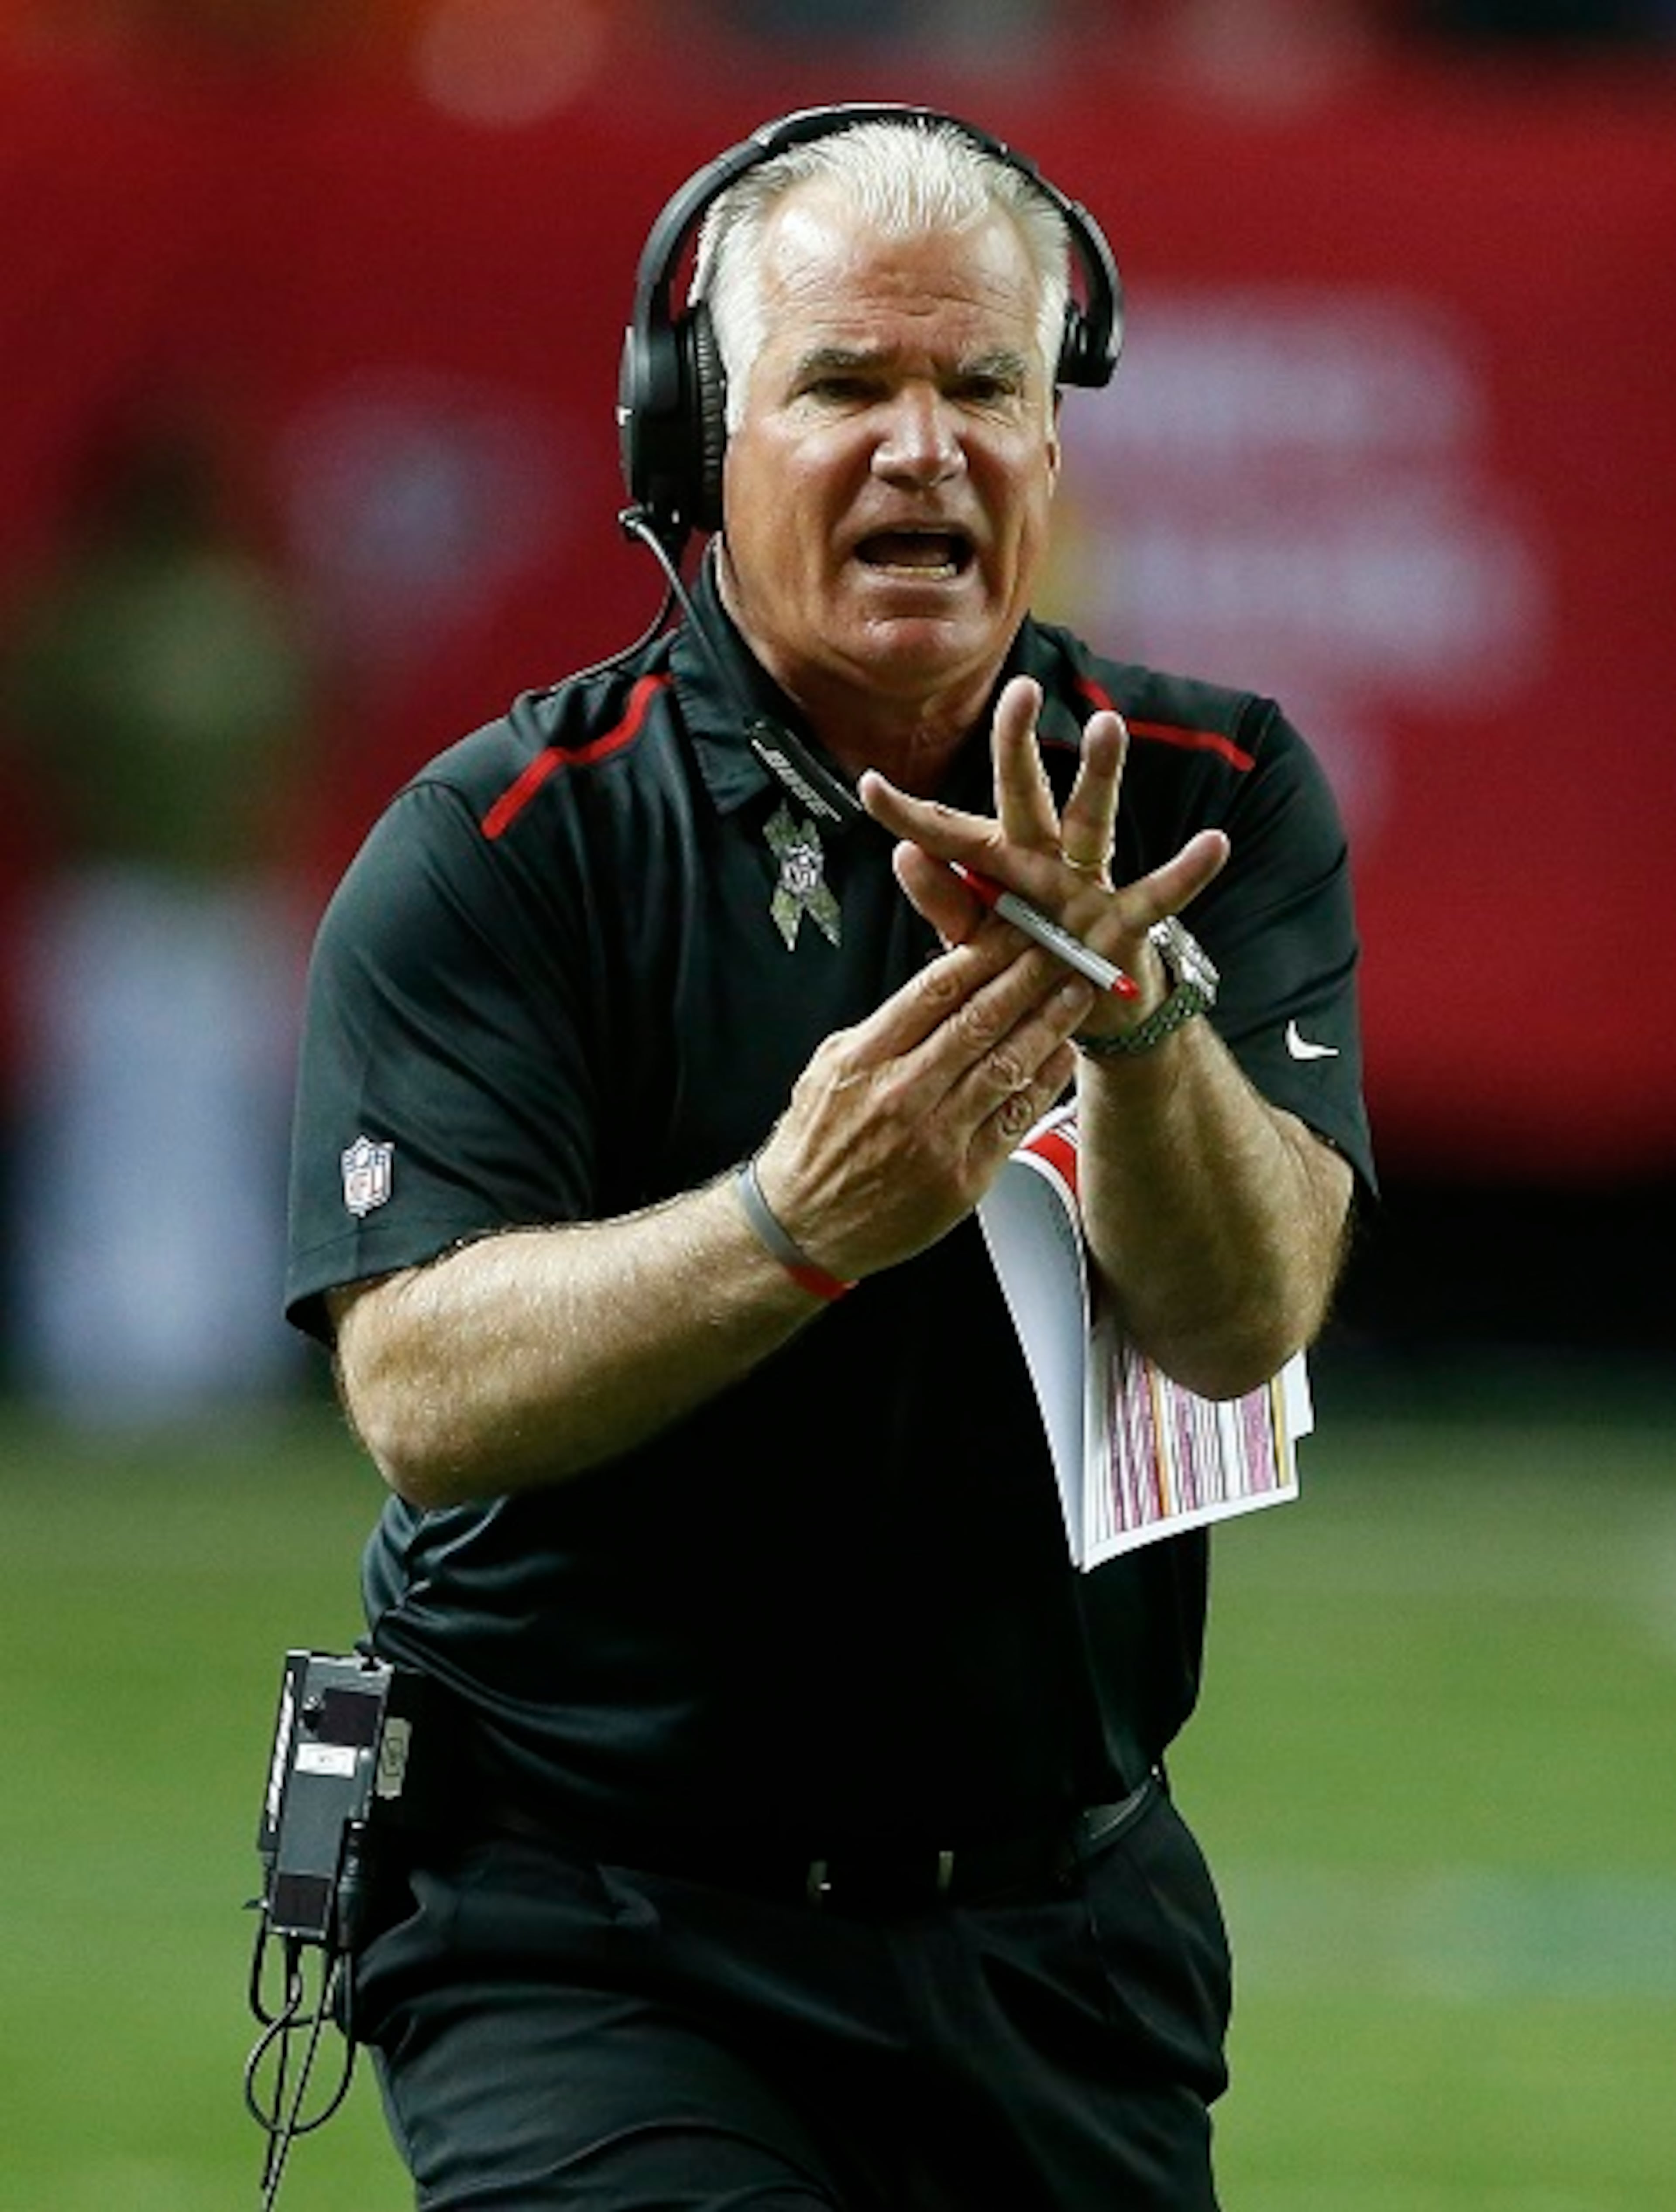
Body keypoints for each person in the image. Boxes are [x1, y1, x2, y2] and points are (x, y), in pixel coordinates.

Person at [284, 105, 1373, 2210]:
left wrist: (1138, 1025)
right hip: (588, 1911)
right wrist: (793, 1223)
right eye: (847, 386)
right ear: (698, 446)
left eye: (982, 384)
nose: (924, 446)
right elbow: (418, 1394)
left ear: (1056, 444)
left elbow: (1243, 1328)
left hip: (1060, 1916)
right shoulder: (511, 847)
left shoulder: (1218, 794)